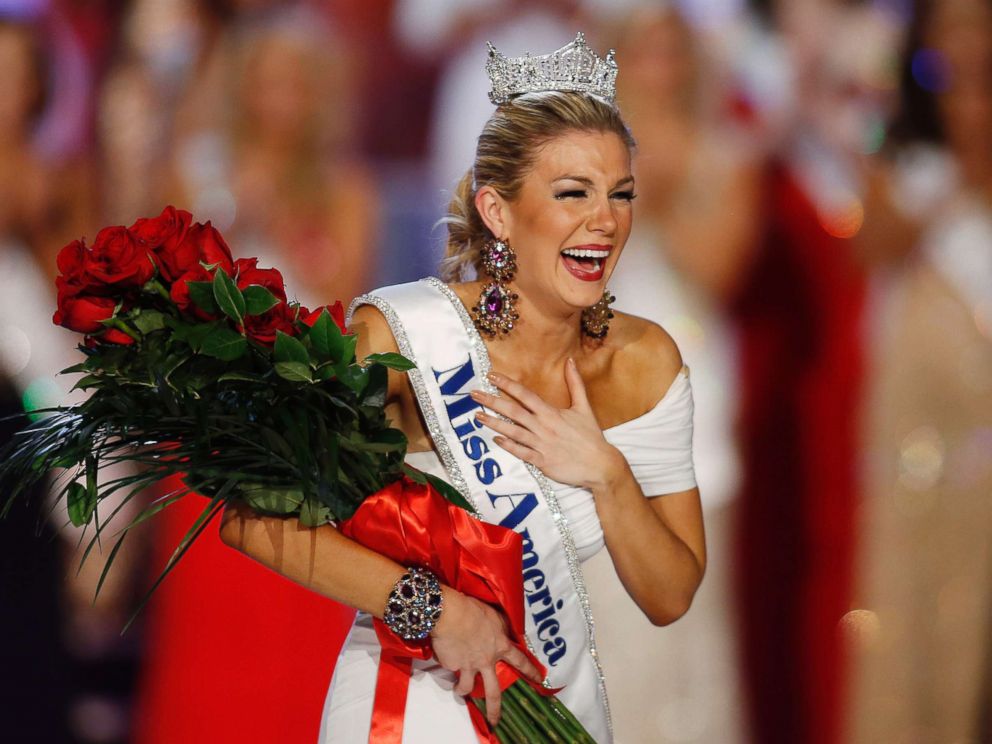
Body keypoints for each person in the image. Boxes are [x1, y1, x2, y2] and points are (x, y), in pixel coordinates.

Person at [221, 33, 705, 743]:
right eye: (574, 192)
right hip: (407, 699)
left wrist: (607, 474)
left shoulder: (645, 360)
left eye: (621, 193)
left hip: (549, 705)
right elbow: (249, 511)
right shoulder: (401, 336)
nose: (605, 220)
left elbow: (670, 595)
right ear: (497, 211)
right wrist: (434, 610)